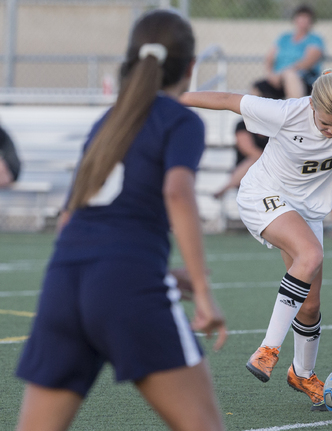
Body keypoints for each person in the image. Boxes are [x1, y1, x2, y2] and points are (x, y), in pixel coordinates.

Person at [14, 10, 227, 431]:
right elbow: (177, 192)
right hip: (127, 284)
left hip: (63, 281)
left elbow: (70, 220)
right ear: (189, 67)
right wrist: (202, 291)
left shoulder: (105, 123)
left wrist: (147, 268)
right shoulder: (180, 119)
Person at [181, 69, 332, 411]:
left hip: (308, 210)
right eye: (325, 124)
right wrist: (166, 99)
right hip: (263, 195)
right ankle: (268, 349)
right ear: (312, 104)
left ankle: (302, 373)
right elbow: (225, 100)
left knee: (310, 305)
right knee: (309, 255)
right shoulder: (287, 112)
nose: (331, 132)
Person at [253, 5, 324, 100]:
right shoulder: (284, 38)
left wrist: (283, 73)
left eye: (306, 19)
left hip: (303, 79)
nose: (303, 21)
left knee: (290, 75)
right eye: (300, 18)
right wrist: (270, 74)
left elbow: (307, 62)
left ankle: (295, 111)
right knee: (257, 87)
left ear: (311, 22)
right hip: (278, 79)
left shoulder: (315, 39)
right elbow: (269, 57)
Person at [213, 119, 269, 199]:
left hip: (265, 172)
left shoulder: (275, 125)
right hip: (248, 172)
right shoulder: (243, 125)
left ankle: (226, 187)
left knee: (255, 160)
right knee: (254, 161)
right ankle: (227, 187)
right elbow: (249, 150)